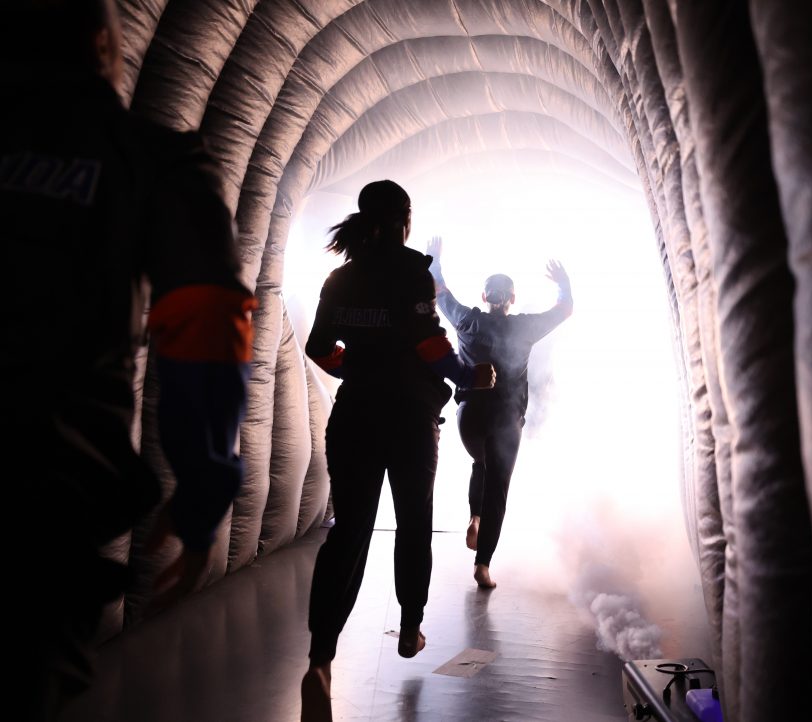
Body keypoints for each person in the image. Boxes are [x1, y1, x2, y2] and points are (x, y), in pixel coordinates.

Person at [2, 2, 256, 720]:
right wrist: (201, 492)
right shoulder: (147, 158)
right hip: (44, 485)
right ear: (101, 45)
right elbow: (206, 321)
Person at [301, 181, 494, 721]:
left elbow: (318, 347)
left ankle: (320, 659)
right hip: (409, 418)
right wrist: (469, 376)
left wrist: (357, 368)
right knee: (413, 522)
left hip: (355, 415)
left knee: (349, 533)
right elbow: (429, 344)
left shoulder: (340, 278)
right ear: (405, 219)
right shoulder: (413, 272)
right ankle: (410, 627)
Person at [426, 236, 573, 589]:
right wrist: (563, 282)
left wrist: (434, 260)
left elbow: (439, 292)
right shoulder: (524, 327)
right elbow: (564, 309)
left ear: (484, 297)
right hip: (505, 421)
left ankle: (474, 517)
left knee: (480, 463)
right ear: (512, 299)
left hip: (469, 417)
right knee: (498, 489)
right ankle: (482, 565)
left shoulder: (467, 320)